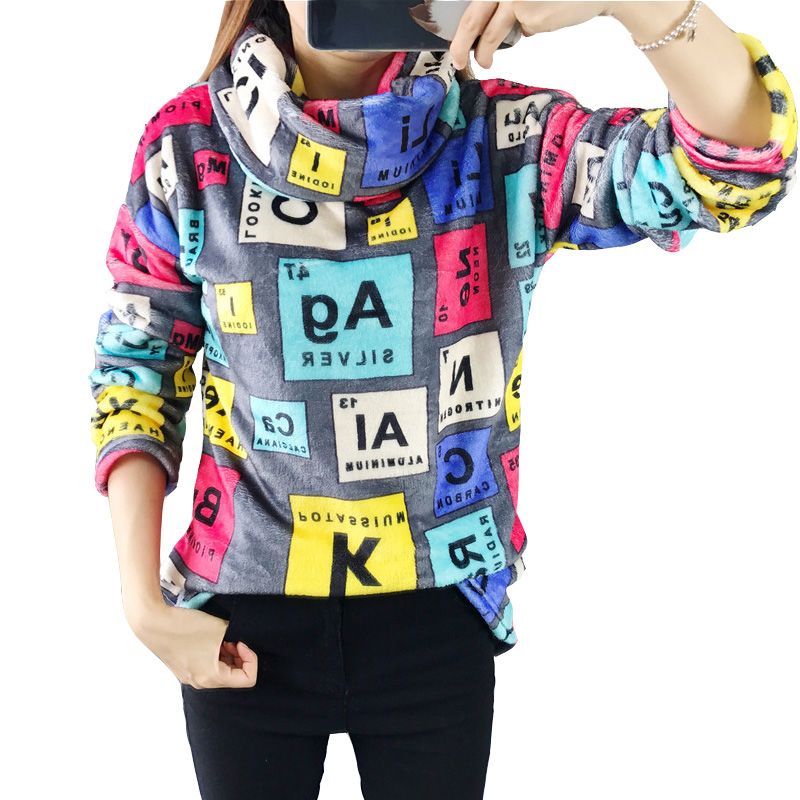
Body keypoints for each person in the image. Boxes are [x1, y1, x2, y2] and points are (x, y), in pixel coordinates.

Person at [88, 1, 797, 798]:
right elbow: (139, 362)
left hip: (439, 610)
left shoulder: (505, 138)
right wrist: (141, 603)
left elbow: (734, 170)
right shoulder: (189, 146)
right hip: (238, 618)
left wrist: (630, 0)